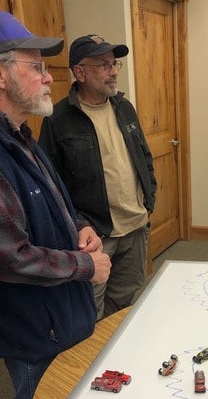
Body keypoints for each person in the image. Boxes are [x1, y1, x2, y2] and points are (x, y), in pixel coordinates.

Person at [0, 12, 111, 399]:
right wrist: (87, 266)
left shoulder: (18, 132)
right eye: (35, 65)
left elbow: (47, 200)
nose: (49, 76)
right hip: (29, 324)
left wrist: (78, 226)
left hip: (52, 312)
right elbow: (8, 255)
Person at [39, 33, 157, 319]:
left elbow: (144, 156)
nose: (113, 71)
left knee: (125, 304)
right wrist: (79, 225)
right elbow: (50, 184)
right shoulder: (58, 120)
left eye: (114, 63)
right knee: (91, 313)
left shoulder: (124, 108)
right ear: (79, 72)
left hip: (135, 226)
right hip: (96, 235)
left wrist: (149, 199)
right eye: (104, 65)